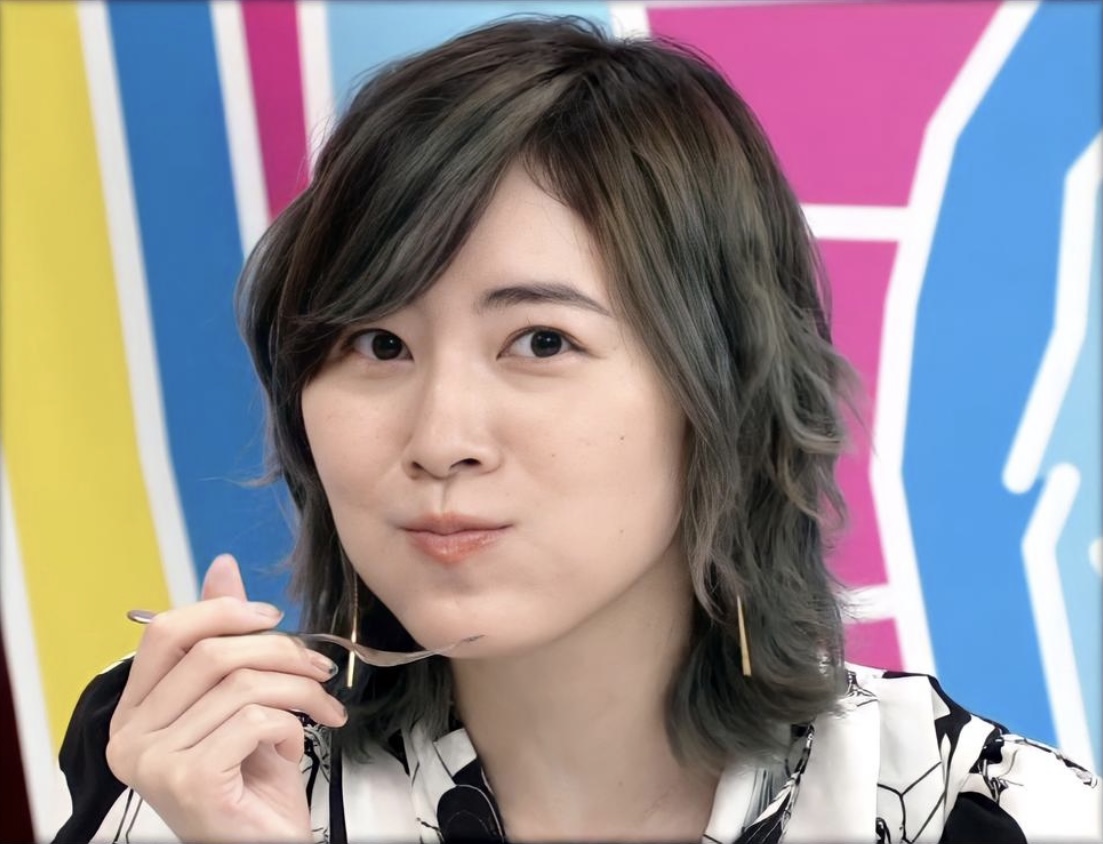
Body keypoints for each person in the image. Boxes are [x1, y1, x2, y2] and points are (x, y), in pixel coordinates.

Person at [52, 16, 1099, 844]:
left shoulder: (976, 812)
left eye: (540, 341)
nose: (441, 438)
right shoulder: (191, 780)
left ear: (722, 388)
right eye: (377, 343)